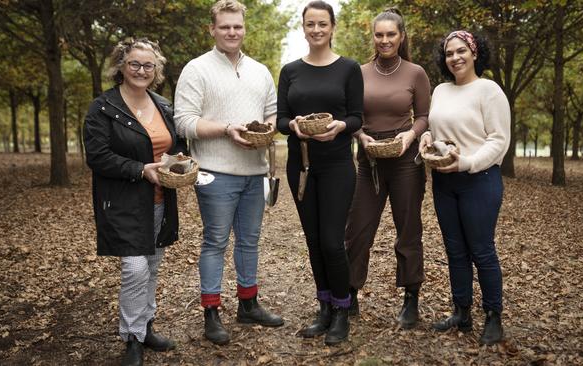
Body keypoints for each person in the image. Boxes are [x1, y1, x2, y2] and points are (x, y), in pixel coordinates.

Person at [174, 0, 283, 346]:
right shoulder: (196, 69)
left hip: (255, 171)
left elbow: (273, 115)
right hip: (215, 173)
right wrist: (226, 129)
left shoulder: (261, 71)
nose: (232, 32)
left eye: (237, 26)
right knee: (215, 242)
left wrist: (265, 131)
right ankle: (211, 311)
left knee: (249, 241)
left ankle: (248, 304)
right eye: (225, 27)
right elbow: (184, 122)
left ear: (244, 28)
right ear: (213, 29)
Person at [84, 38, 186, 366]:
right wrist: (142, 170)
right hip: (124, 201)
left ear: (155, 70)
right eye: (134, 64)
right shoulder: (103, 107)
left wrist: (177, 162)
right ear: (121, 67)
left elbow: (173, 143)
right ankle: (131, 337)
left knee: (152, 267)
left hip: (159, 200)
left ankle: (146, 327)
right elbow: (98, 157)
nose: (141, 71)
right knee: (135, 267)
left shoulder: (163, 105)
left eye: (148, 66)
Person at [276, 0, 364, 346]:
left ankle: (343, 310)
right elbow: (282, 119)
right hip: (301, 166)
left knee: (331, 240)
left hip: (337, 165)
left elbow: (357, 117)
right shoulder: (290, 70)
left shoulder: (348, 68)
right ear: (303, 28)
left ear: (332, 27)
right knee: (313, 241)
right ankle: (324, 306)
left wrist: (341, 125)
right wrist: (295, 126)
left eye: (322, 24)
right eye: (310, 24)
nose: (316, 30)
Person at [420, 30, 510, 345]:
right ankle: (462, 312)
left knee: (481, 250)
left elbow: (499, 141)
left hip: (479, 180)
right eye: (449, 53)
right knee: (455, 250)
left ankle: (493, 317)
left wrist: (467, 163)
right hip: (444, 180)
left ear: (474, 53)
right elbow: (434, 127)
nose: (455, 58)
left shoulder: (489, 90)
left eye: (462, 51)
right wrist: (426, 138)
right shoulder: (441, 90)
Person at [344, 8, 431, 329]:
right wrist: (361, 136)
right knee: (358, 228)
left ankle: (411, 298)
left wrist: (410, 135)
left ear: (401, 37)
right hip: (368, 159)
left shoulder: (416, 73)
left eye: (390, 34)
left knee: (408, 228)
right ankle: (349, 293)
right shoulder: (358, 72)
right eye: (379, 35)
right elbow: (351, 114)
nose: (384, 40)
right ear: (374, 37)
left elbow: (423, 115)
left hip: (406, 159)